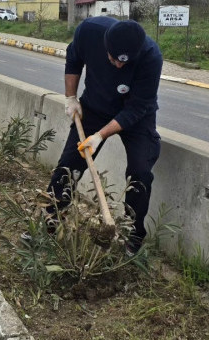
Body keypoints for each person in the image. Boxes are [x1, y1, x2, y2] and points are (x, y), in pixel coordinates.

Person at [47, 17, 162, 256]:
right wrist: (71, 97)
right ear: (105, 46)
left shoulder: (150, 57)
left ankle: (133, 236)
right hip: (96, 107)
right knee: (70, 163)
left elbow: (137, 108)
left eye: (125, 63)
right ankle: (50, 219)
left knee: (140, 172)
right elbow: (74, 58)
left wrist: (100, 136)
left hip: (135, 116)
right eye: (113, 60)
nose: (119, 67)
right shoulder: (89, 32)